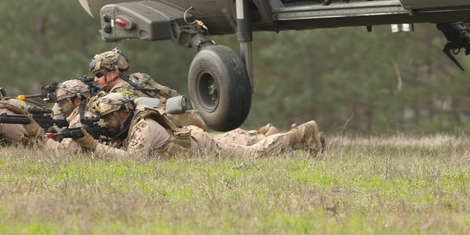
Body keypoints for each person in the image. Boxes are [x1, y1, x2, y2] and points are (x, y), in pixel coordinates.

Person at [72, 92, 325, 159]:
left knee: (255, 155)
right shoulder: (130, 122)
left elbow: (132, 160)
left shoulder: (142, 127)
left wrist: (93, 145)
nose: (105, 123)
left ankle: (300, 134)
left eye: (108, 118)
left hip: (199, 147)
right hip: (192, 140)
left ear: (123, 112)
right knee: (235, 143)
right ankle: (261, 135)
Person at [89, 48, 207, 130]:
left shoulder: (115, 97)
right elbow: (171, 94)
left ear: (114, 73)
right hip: (190, 121)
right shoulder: (139, 79)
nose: (95, 79)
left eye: (99, 74)